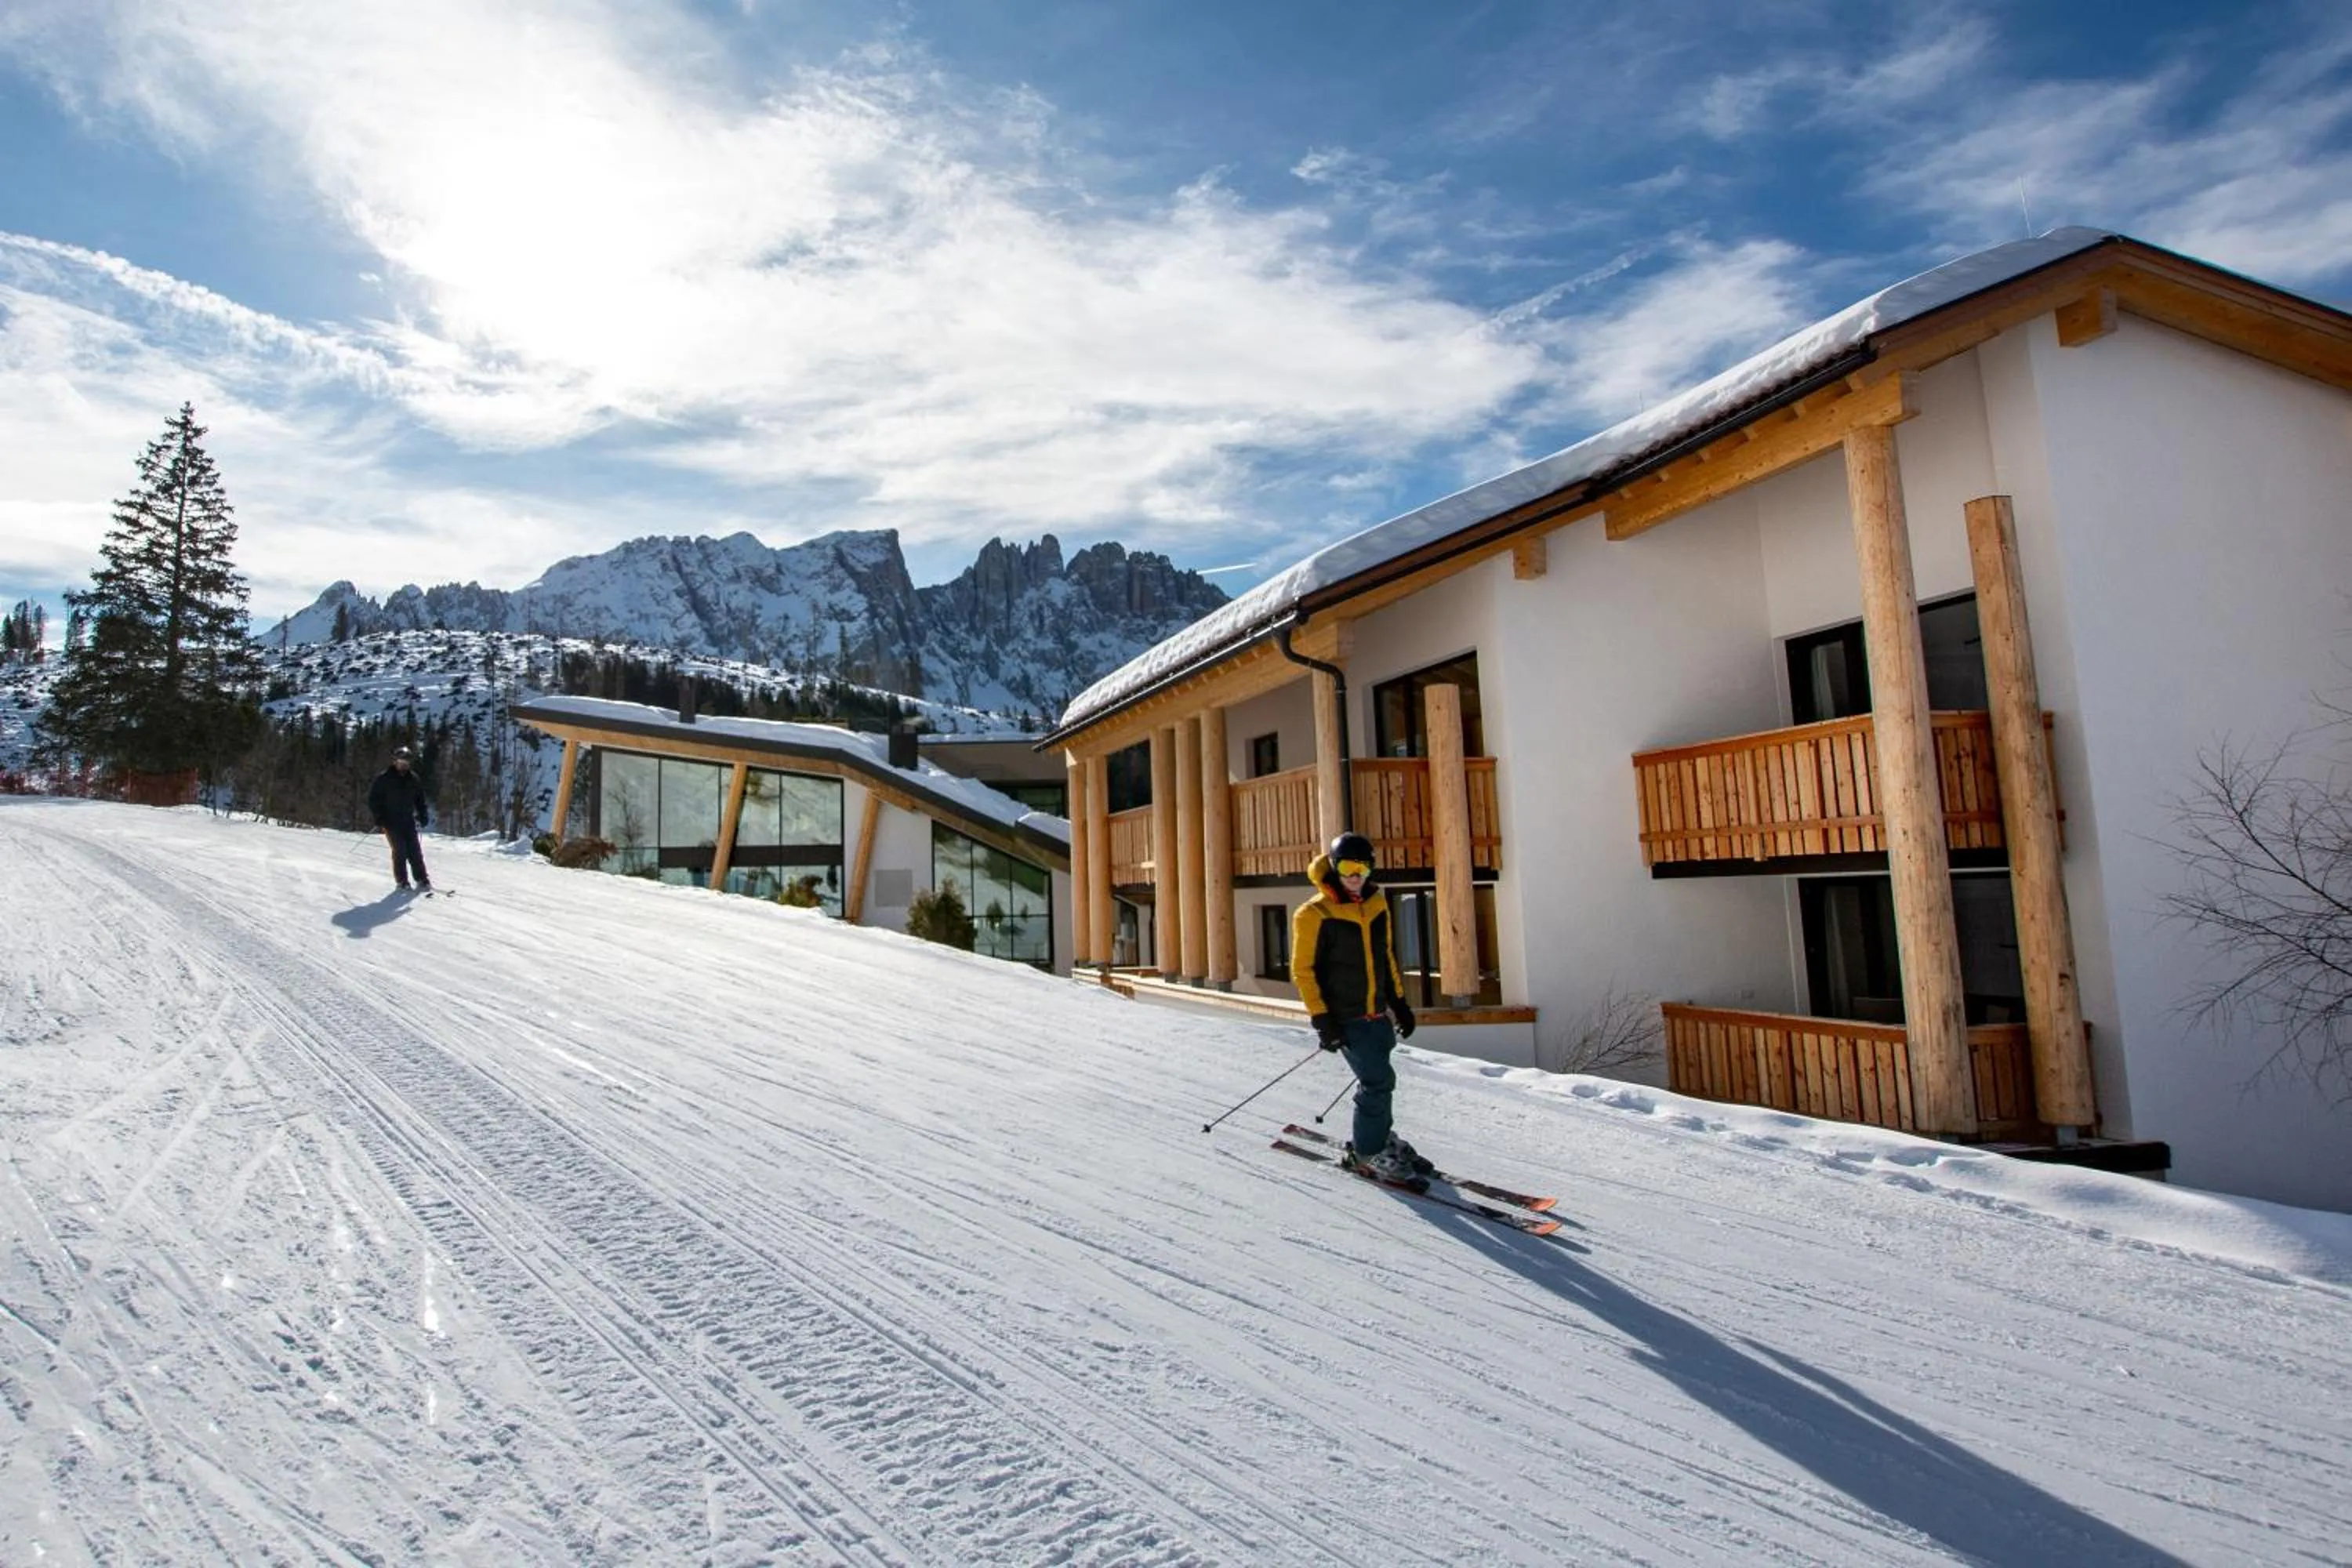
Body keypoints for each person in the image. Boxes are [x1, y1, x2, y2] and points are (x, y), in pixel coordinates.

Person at [1290, 830, 1425, 1183]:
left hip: (1377, 1013)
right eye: (1348, 868)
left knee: (1381, 1080)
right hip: (1345, 1016)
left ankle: (1380, 1137)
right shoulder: (1314, 914)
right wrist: (1322, 1020)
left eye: (1362, 869)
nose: (1354, 877)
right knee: (1378, 1081)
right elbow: (1303, 971)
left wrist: (1400, 1003)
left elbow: (1386, 957)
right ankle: (1368, 1153)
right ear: (1334, 868)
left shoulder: (1377, 903)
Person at [368, 745, 434, 892]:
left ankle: (422, 878)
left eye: (406, 763)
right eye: (401, 762)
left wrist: (423, 815)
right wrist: (378, 816)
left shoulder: (413, 779)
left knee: (415, 850)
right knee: (400, 850)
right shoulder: (384, 778)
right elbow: (374, 799)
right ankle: (402, 881)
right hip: (390, 821)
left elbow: (420, 799)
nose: (403, 765)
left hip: (407, 820)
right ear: (395, 761)